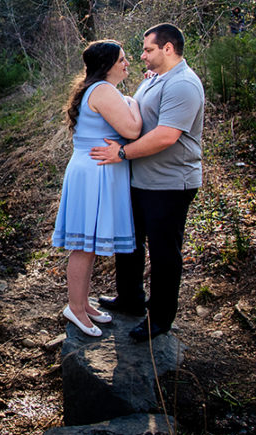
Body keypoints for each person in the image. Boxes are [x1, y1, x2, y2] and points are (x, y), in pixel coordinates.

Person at [90, 23, 204, 342]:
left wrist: (123, 153)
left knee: (165, 254)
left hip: (170, 183)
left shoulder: (184, 85)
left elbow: (167, 135)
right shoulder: (156, 79)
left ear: (168, 49)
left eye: (149, 50)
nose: (142, 56)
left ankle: (160, 319)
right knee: (130, 242)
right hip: (142, 180)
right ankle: (130, 299)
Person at [53, 40, 142, 337]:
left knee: (88, 247)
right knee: (84, 246)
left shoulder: (98, 89)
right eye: (122, 60)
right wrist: (135, 104)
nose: (127, 63)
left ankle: (82, 303)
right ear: (107, 65)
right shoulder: (104, 91)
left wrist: (128, 102)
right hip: (93, 175)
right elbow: (132, 130)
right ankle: (75, 309)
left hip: (94, 172)